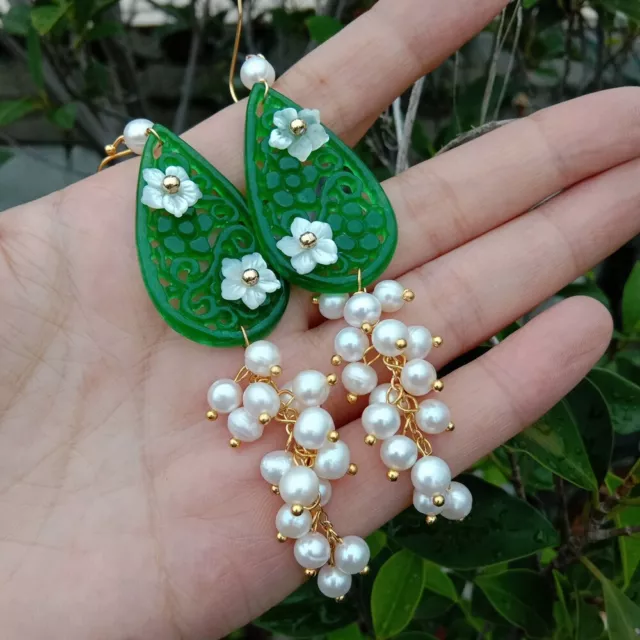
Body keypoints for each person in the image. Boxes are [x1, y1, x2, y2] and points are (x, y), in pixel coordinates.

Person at [0, 0, 638, 637]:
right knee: (333, 388)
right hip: (270, 305)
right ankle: (368, 509)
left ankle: (390, 495)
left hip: (317, 281)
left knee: (369, 380)